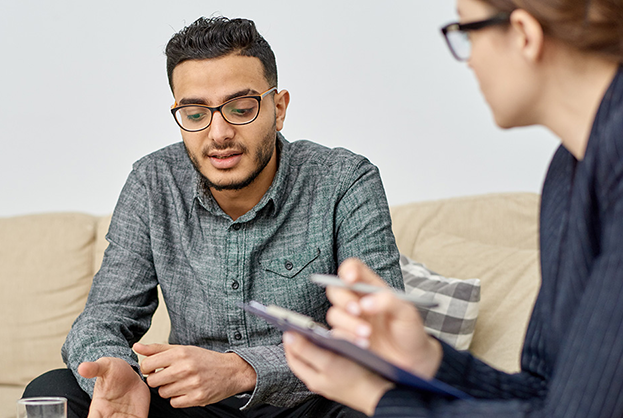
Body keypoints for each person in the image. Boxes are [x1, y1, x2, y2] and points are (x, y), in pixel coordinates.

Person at [283, 0, 623, 417]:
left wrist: (375, 397)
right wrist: (427, 358)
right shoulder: (568, 169)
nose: (469, 61)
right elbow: (543, 393)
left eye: (467, 33)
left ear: (523, 33)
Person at [23, 16, 405, 418]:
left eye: (241, 108)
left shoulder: (344, 180)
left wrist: (243, 370)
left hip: (311, 400)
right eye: (194, 114)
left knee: (389, 406)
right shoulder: (153, 182)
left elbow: (380, 339)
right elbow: (101, 322)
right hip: (192, 407)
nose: (219, 133)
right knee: (51, 390)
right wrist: (121, 371)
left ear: (278, 108)